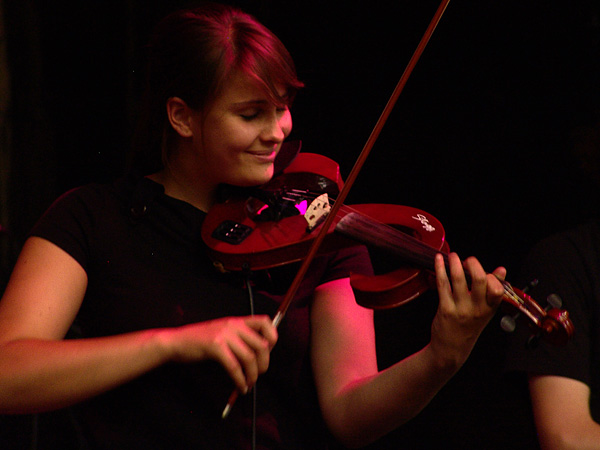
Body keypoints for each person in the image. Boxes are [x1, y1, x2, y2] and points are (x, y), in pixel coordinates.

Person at [0, 3, 506, 449]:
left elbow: (350, 415)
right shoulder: (91, 217)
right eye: (250, 114)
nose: (277, 131)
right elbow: (7, 373)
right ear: (181, 117)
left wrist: (442, 355)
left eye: (282, 108)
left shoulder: (319, 232)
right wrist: (170, 343)